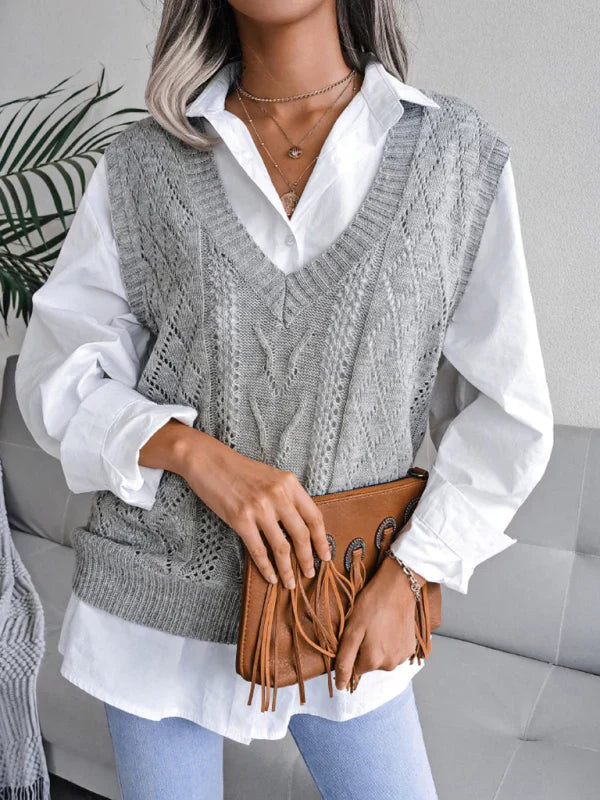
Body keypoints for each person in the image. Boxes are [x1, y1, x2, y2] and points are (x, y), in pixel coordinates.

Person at [14, 0, 554, 798]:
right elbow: (56, 376)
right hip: (154, 611)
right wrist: (197, 456)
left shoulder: (453, 158)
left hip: (347, 604)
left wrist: (412, 574)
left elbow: (508, 412)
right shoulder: (142, 167)